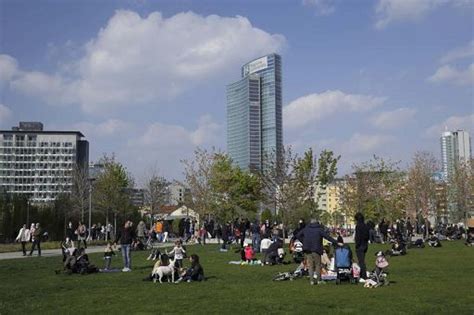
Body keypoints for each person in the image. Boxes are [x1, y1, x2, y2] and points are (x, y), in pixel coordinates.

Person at [296, 218, 340, 285]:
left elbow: (298, 235)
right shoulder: (319, 229)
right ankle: (319, 280)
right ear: (317, 223)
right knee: (317, 265)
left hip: (307, 249)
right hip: (316, 249)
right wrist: (336, 242)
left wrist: (303, 241)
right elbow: (328, 237)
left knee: (310, 265)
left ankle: (312, 281)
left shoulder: (306, 229)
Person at [354, 212, 370, 283]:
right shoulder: (365, 225)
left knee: (361, 261)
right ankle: (363, 274)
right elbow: (367, 236)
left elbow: (358, 237)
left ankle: (363, 276)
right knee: (362, 261)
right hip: (365, 245)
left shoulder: (358, 226)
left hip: (360, 245)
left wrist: (357, 245)